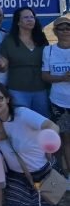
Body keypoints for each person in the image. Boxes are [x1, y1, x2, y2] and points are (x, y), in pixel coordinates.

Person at [0, 81, 60, 206]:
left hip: (42, 174)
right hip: (16, 179)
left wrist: (49, 143)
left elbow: (52, 126)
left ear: (7, 99)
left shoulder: (23, 114)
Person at [0, 6, 49, 117]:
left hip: (41, 89)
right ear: (18, 22)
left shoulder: (42, 39)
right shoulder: (9, 41)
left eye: (32, 17)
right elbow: (3, 67)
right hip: (17, 90)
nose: (30, 20)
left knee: (42, 122)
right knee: (22, 121)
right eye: (26, 17)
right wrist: (1, 65)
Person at [41, 16, 70, 187]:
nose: (65, 31)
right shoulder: (48, 51)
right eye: (61, 28)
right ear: (55, 32)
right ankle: (66, 175)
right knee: (65, 139)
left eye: (68, 28)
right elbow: (44, 76)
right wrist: (61, 78)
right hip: (59, 102)